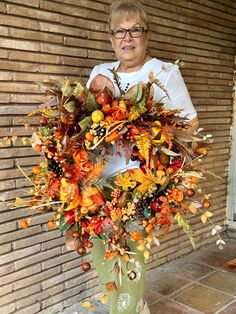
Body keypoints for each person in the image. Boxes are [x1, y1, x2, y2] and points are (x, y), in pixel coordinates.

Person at [87, 1, 198, 313]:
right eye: (120, 31)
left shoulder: (164, 72)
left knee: (132, 250)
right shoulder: (99, 73)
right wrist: (92, 99)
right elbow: (84, 125)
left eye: (135, 29)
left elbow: (190, 123)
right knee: (102, 248)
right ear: (111, 38)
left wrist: (151, 129)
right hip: (98, 181)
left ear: (146, 35)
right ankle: (128, 305)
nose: (127, 37)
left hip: (143, 182)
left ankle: (126, 309)